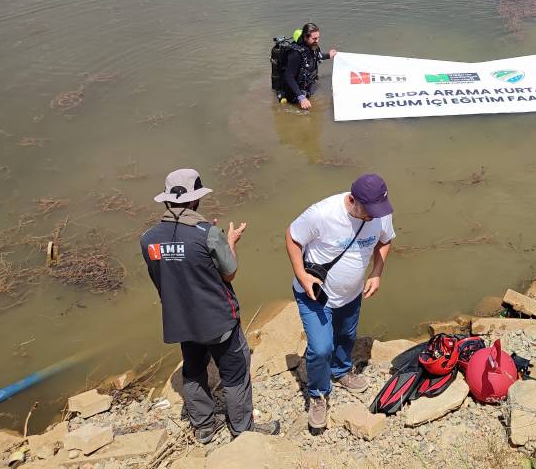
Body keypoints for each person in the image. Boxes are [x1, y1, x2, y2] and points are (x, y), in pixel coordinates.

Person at [140, 168, 279, 443]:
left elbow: (162, 279)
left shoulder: (148, 239)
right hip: (218, 319)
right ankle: (242, 429)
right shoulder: (208, 234)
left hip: (180, 320)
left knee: (193, 370)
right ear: (194, 200)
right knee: (235, 372)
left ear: (168, 200)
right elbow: (229, 273)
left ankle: (203, 427)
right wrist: (228, 243)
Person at [284, 173, 395, 434]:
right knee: (321, 348)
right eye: (369, 211)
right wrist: (302, 275)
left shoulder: (380, 213)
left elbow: (385, 241)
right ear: (353, 200)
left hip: (351, 294)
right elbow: (292, 237)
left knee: (346, 335)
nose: (374, 216)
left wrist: (377, 272)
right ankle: (318, 395)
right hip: (315, 295)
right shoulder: (321, 213)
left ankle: (342, 370)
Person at [281, 23, 337, 110]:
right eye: (314, 38)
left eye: (318, 38)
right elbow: (288, 77)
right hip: (294, 92)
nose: (317, 40)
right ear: (305, 37)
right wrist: (301, 97)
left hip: (305, 88)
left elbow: (316, 56)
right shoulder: (295, 54)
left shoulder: (312, 46)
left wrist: (328, 55)